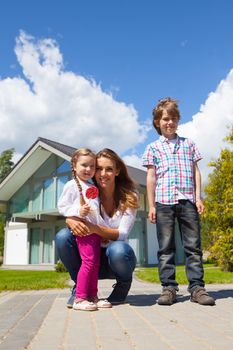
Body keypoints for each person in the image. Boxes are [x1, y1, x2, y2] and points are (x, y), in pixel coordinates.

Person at [142, 97, 215, 306]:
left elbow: (196, 172)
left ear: (178, 121)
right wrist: (152, 205)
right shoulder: (153, 148)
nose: (169, 122)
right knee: (166, 247)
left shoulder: (188, 144)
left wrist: (198, 197)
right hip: (164, 201)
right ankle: (169, 288)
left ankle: (197, 288)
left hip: (187, 201)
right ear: (158, 122)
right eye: (165, 118)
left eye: (173, 118)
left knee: (193, 246)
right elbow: (151, 177)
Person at [56, 148, 139, 308]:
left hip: (113, 259)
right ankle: (81, 290)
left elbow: (121, 234)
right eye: (99, 168)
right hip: (90, 252)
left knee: (119, 250)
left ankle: (123, 285)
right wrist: (70, 220)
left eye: (109, 169)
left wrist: (95, 228)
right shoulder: (88, 191)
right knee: (62, 237)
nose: (102, 173)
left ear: (117, 171)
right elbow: (72, 209)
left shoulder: (130, 196)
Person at [58, 148, 112, 311]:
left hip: (94, 232)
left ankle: (92, 296)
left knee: (94, 264)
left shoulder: (91, 185)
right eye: (84, 165)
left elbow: (95, 211)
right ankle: (80, 298)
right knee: (88, 262)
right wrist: (77, 212)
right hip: (83, 231)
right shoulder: (71, 185)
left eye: (92, 166)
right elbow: (62, 207)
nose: (88, 169)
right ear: (74, 165)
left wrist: (102, 231)